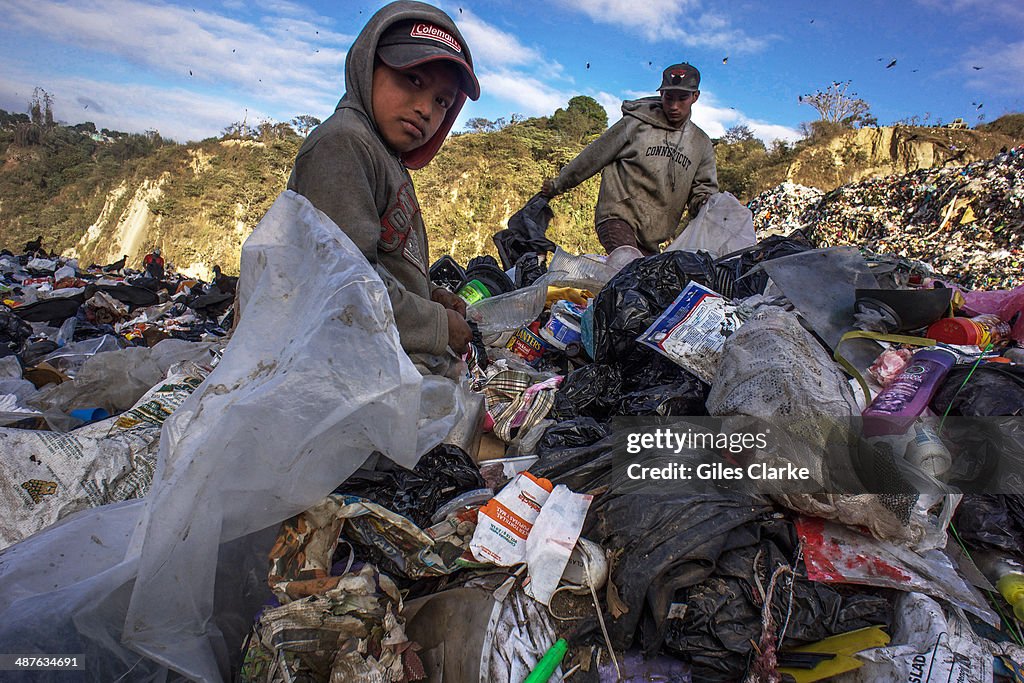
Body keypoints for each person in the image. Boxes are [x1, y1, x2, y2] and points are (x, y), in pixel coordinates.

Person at [287, 0, 479, 375]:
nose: (426, 109)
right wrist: (437, 326)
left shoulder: (387, 157)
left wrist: (431, 298)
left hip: (379, 359)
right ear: (368, 64)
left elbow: (382, 266)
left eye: (442, 101)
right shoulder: (343, 145)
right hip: (337, 371)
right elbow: (346, 288)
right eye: (413, 79)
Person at [540, 62, 719, 255]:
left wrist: (706, 204)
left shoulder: (701, 143)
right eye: (669, 98)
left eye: (682, 98)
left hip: (653, 235)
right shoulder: (635, 124)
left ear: (695, 96)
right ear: (661, 94)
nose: (674, 106)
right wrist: (557, 185)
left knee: (646, 282)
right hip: (617, 217)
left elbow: (704, 191)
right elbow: (592, 156)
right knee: (628, 264)